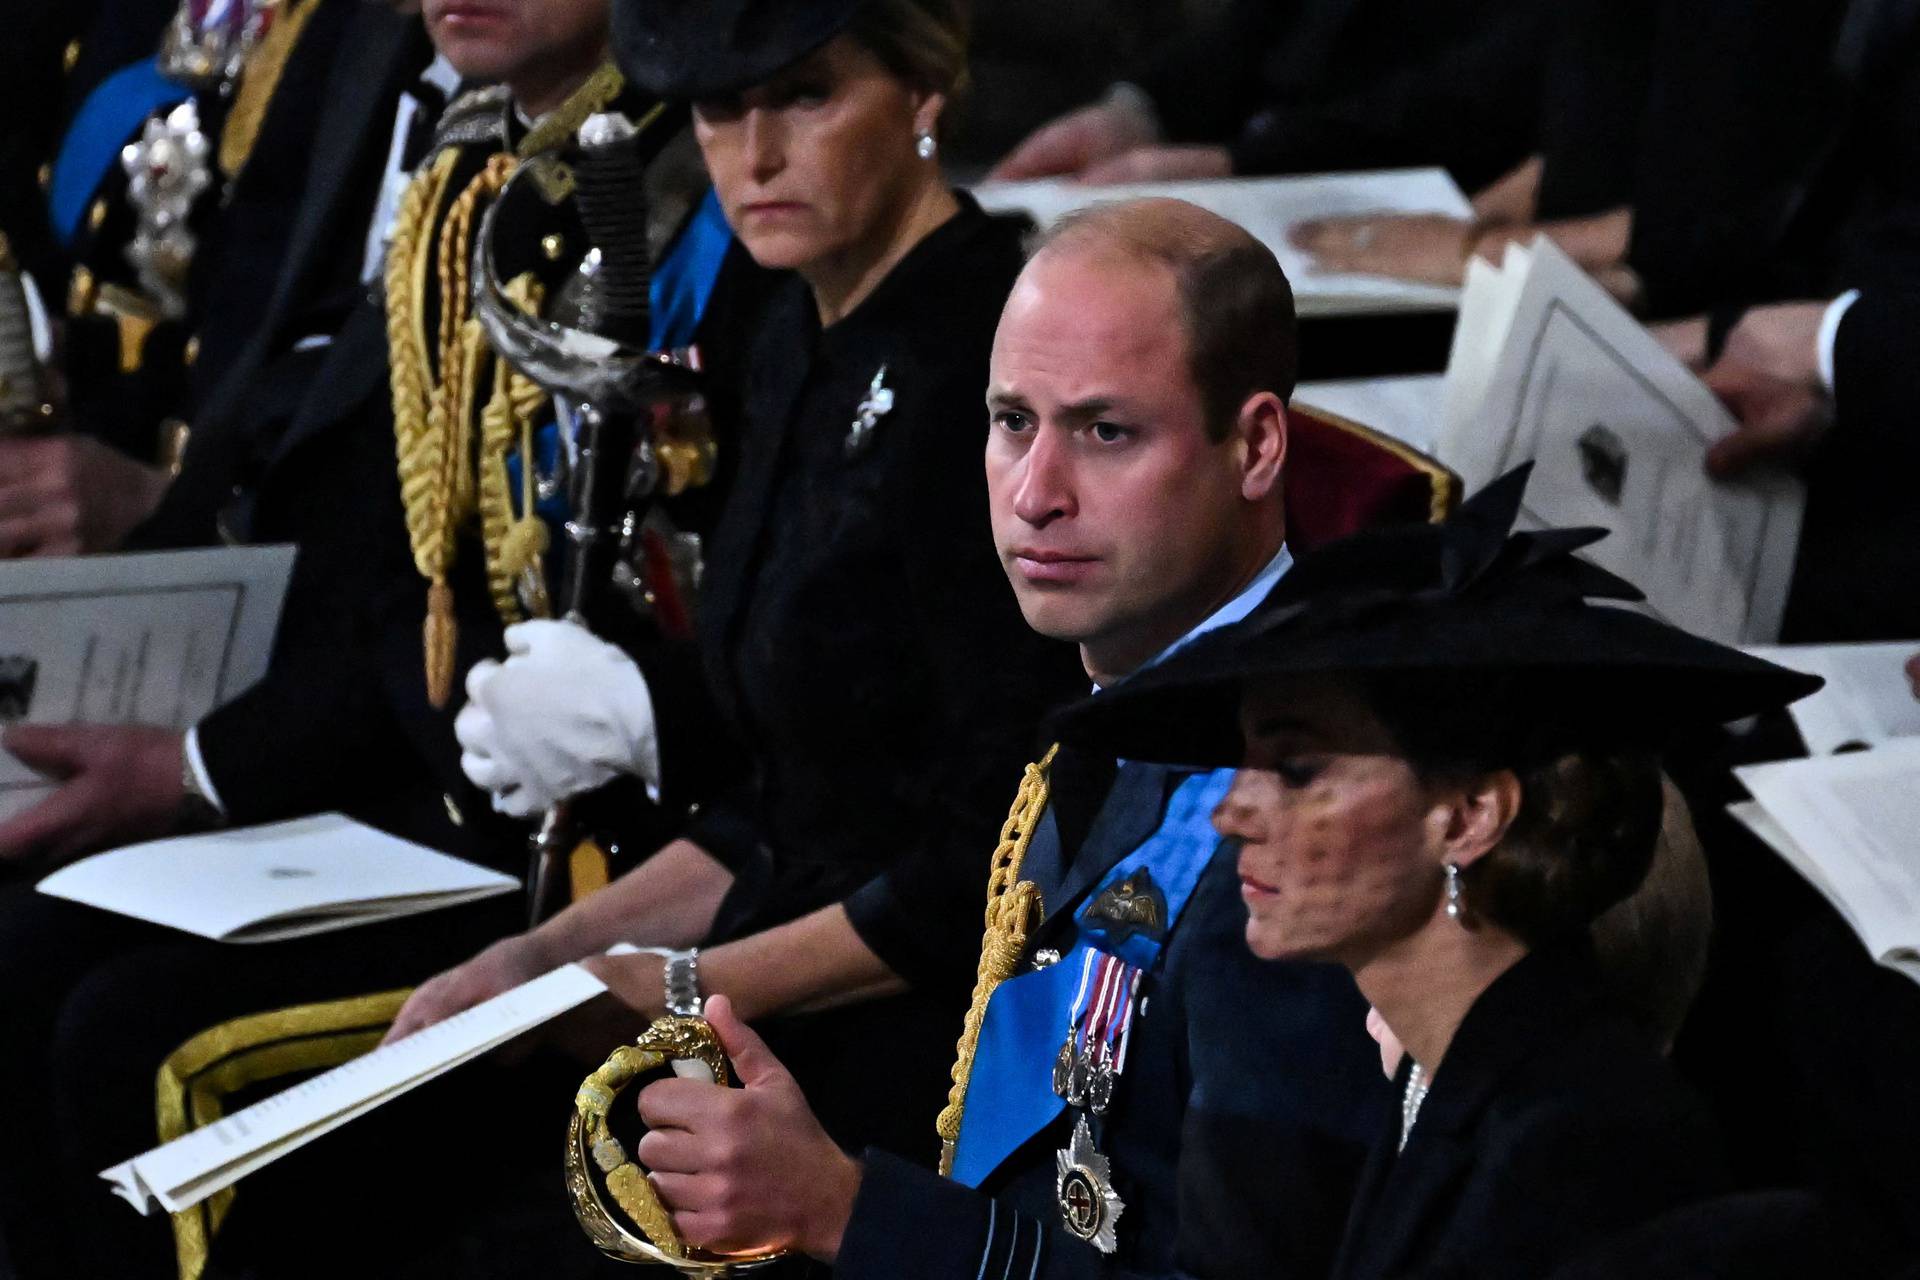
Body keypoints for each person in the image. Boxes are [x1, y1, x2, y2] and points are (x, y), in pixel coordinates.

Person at [561, 197, 1437, 1280]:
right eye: (1012, 421)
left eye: (1106, 432)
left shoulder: (1303, 829)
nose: (1035, 495)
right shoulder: (1115, 688)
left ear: (1257, 446)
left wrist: (846, 1207)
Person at [0, 2, 740, 1272]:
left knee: (138, 1037)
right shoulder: (466, 178)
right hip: (413, 756)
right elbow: (399, 558)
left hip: (613, 836)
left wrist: (214, 764)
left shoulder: (698, 192)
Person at [392, 0, 1090, 1160]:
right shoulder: (792, 329)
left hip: (925, 1032)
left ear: (923, 97)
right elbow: (781, 800)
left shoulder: (984, 368)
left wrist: (681, 987)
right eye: (721, 111)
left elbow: (991, 851)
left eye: (808, 97)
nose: (754, 157)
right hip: (764, 969)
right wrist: (543, 955)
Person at [1046, 464, 1821, 1279]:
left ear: (1469, 815)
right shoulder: (1442, 1076)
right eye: (1243, 762)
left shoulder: (1576, 1140)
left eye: (1299, 768)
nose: (1230, 814)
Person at [988, 0, 1547, 193]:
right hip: (1258, 169)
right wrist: (1137, 110)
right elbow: (1253, 29)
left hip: (1400, 193)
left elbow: (1466, 102)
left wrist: (1238, 163)